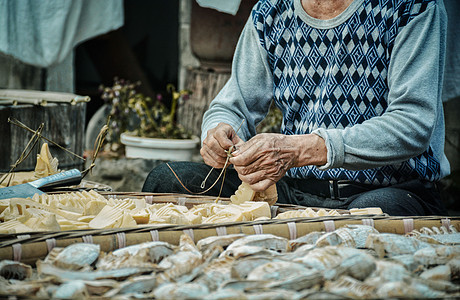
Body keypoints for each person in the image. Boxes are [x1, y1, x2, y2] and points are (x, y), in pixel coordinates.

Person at [143, 0, 450, 216]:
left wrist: (300, 149)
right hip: (294, 192)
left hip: (391, 190)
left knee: (371, 217)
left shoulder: (412, 7)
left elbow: (412, 124)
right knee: (166, 180)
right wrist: (219, 131)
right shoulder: (270, 11)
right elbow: (232, 105)